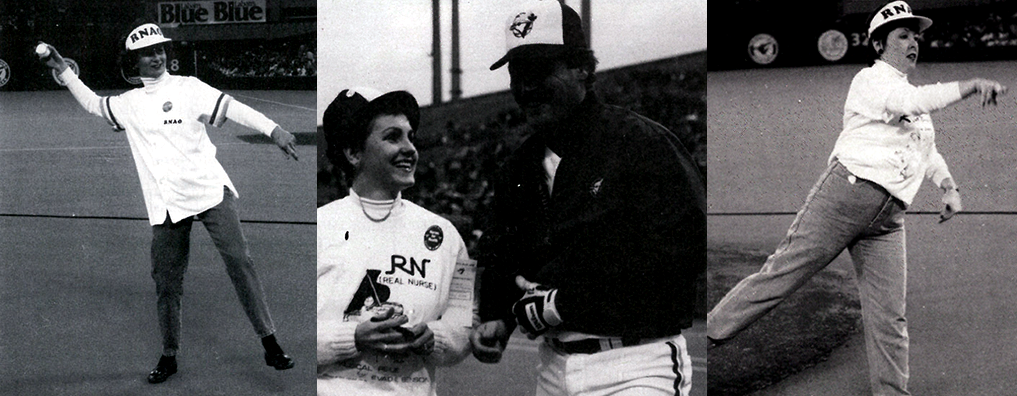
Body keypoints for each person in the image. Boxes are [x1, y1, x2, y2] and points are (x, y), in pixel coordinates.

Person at [706, 2, 1007, 395]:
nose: (913, 42)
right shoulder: (871, 81)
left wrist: (948, 186)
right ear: (880, 45)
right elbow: (912, 104)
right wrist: (969, 86)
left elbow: (925, 148)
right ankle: (707, 333)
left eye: (916, 35)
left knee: (890, 317)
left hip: (887, 221)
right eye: (903, 35)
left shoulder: (909, 95)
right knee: (781, 276)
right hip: (844, 197)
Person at [37, 22, 298, 384]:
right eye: (147, 53)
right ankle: (169, 355)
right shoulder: (128, 104)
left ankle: (270, 344)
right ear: (135, 61)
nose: (156, 56)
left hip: (209, 191)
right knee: (167, 282)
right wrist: (62, 70)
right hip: (167, 203)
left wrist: (274, 130)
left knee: (240, 262)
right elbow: (93, 104)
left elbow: (234, 108)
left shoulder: (189, 87)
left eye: (160, 50)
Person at [469, 1, 707, 395]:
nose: (526, 88)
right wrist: (498, 318)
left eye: (540, 71)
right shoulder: (518, 166)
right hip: (553, 367)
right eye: (517, 74)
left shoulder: (640, 142)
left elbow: (685, 248)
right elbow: (502, 252)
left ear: (583, 68)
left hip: (636, 363)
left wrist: (568, 303)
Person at [317, 87, 474, 396]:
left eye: (410, 136)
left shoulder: (448, 236)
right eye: (392, 137)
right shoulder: (319, 225)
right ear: (354, 153)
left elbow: (465, 323)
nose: (409, 148)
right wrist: (353, 337)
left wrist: (435, 337)